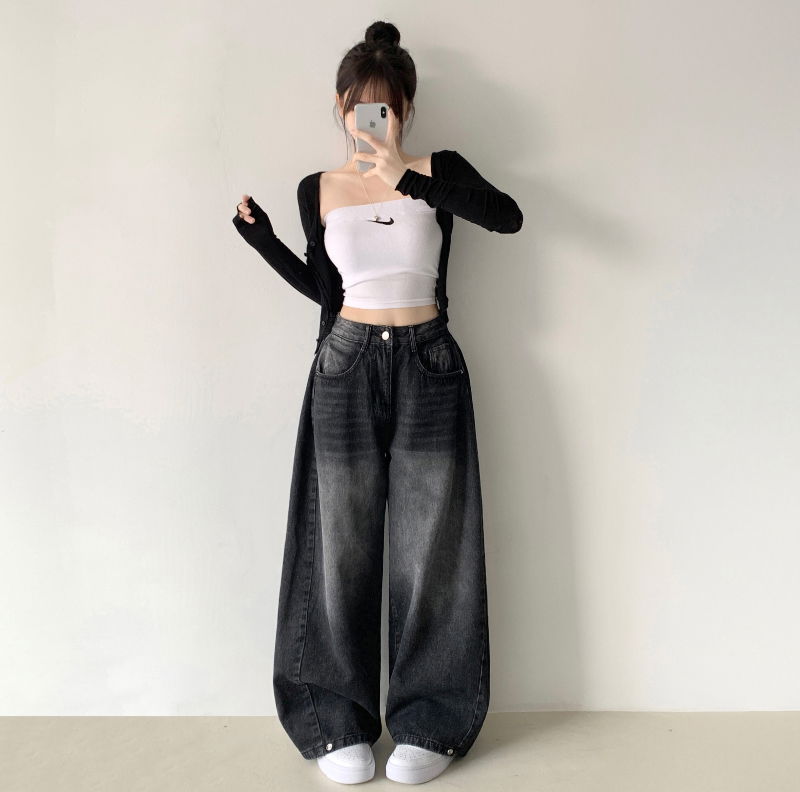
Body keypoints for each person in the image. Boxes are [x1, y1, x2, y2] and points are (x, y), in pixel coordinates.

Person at [232, 20, 523, 785]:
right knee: (338, 544)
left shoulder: (437, 170)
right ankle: (333, 720)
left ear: (406, 109)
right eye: (361, 106)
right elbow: (325, 290)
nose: (373, 119)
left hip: (429, 361)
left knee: (434, 549)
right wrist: (264, 242)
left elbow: (507, 215)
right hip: (346, 362)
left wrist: (407, 177)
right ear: (340, 107)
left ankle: (432, 720)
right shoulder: (319, 189)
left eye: (386, 107)